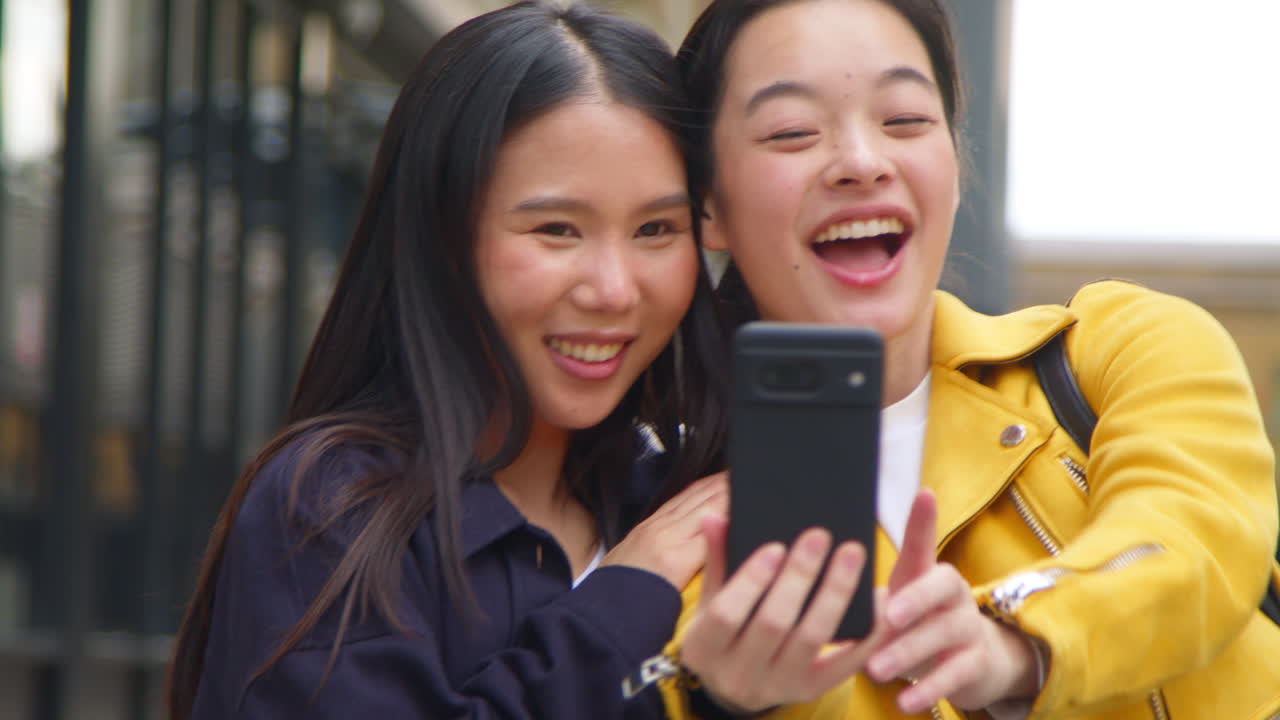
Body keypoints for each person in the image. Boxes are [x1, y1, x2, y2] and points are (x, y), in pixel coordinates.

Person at [646, 0, 1280, 718]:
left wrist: (1012, 640)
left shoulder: (1127, 344)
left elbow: (1196, 544)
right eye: (792, 132)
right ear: (709, 208)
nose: (861, 162)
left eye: (906, 120)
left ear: (953, 159)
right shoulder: (687, 535)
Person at [163, 3, 733, 718]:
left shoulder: (677, 502)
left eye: (657, 228)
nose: (615, 290)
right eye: (557, 229)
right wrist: (625, 602)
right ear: (440, 238)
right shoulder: (331, 511)